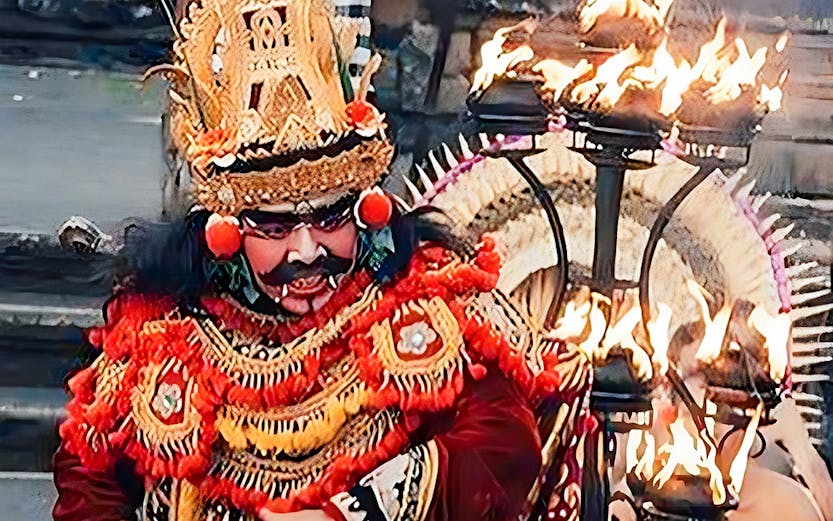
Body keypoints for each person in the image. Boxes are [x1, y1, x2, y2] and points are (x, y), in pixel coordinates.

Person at [52, 0, 592, 519]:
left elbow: (502, 443)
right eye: (276, 226)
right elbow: (90, 478)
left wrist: (360, 510)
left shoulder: (429, 299)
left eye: (332, 219)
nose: (307, 251)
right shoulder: (161, 328)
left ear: (367, 210)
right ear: (225, 229)